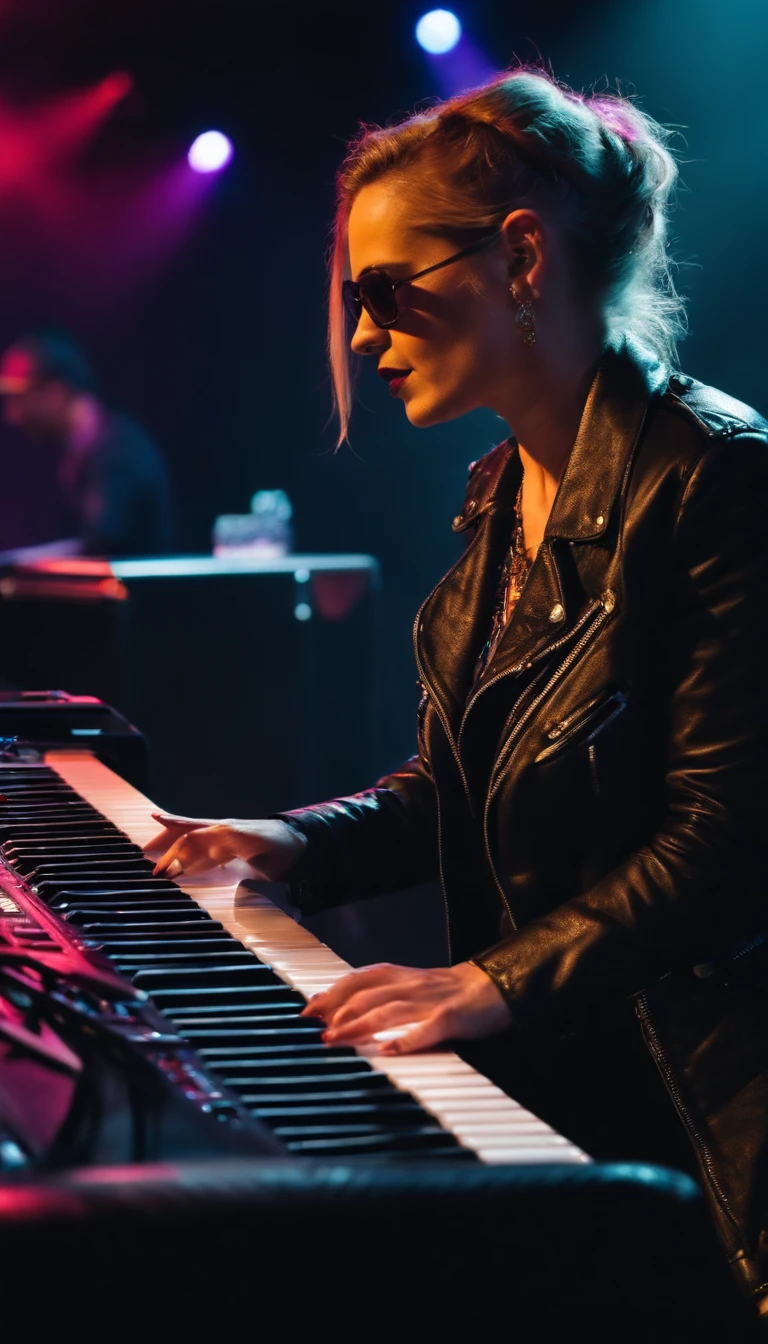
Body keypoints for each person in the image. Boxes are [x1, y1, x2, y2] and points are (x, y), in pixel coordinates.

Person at [146, 67, 768, 1318]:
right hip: (567, 1055)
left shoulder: (717, 480)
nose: (366, 337)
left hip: (702, 1103)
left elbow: (728, 841)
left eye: (387, 293)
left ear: (522, 257)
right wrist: (294, 843)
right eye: (356, 302)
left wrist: (489, 983)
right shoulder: (501, 488)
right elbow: (461, 788)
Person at [0, 329, 175, 557]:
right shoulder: (80, 452)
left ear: (56, 392)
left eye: (19, 398)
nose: (12, 415)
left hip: (139, 593)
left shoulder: (121, 453)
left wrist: (13, 565)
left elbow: (100, 546)